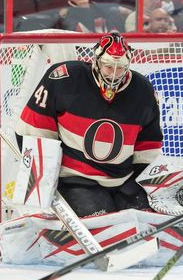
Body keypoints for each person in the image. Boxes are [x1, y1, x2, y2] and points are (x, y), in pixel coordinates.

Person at [14, 31, 162, 218]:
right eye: (109, 67)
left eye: (120, 68)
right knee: (104, 222)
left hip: (123, 180)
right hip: (77, 180)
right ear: (97, 60)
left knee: (149, 219)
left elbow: (147, 146)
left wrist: (147, 185)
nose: (114, 74)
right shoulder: (65, 79)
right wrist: (45, 184)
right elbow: (32, 129)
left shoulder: (143, 90)